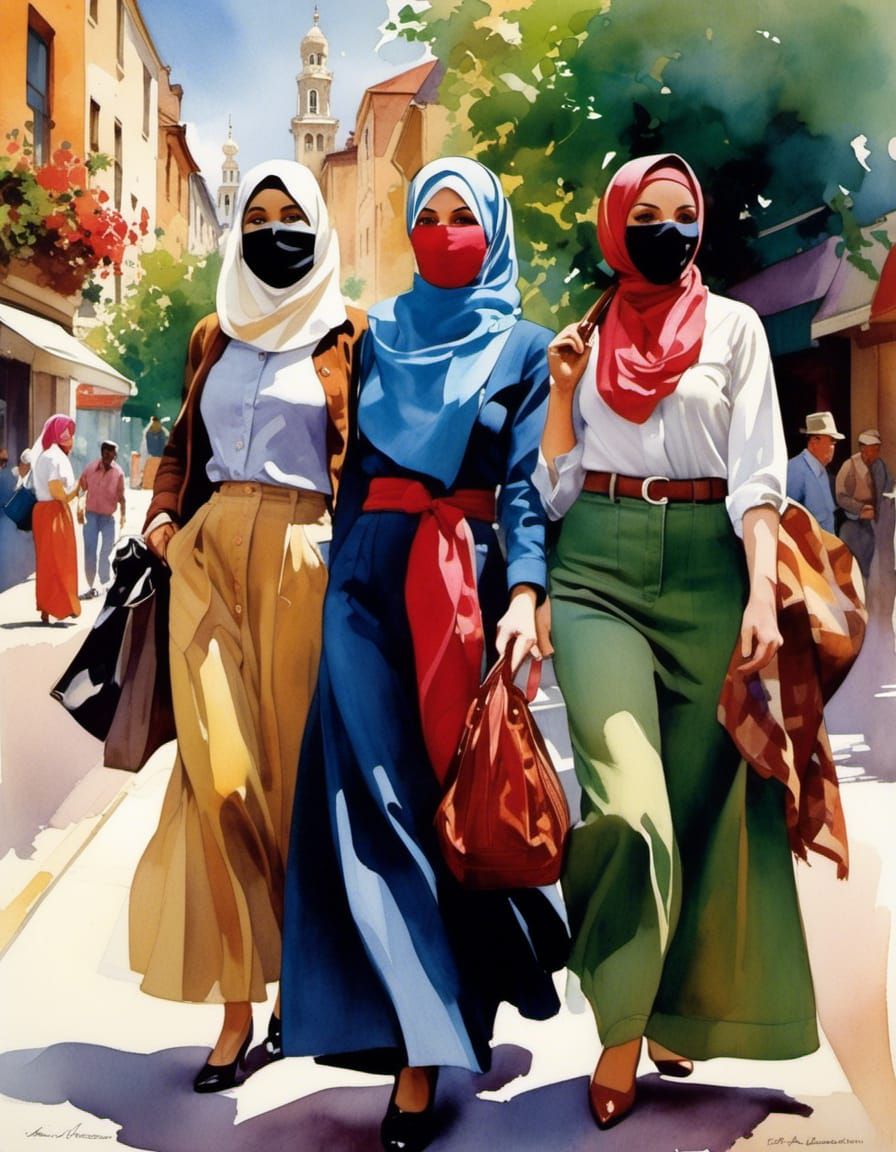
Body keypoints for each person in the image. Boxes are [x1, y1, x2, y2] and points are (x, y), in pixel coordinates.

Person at [280, 156, 568, 1152]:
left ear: (491, 228)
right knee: (367, 803)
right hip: (364, 581)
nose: (444, 231)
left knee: (455, 801)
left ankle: (458, 1000)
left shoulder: (525, 348)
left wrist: (525, 595)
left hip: (465, 588)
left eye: (463, 216)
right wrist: (336, 575)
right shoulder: (376, 342)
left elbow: (526, 485)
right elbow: (354, 469)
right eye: (428, 216)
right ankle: (408, 1049)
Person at [535, 153, 818, 1129]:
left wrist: (753, 596)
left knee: (707, 809)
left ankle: (678, 1009)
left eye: (681, 213)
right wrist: (564, 393)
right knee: (632, 811)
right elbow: (553, 490)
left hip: (708, 567)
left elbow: (754, 472)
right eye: (645, 213)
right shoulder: (584, 335)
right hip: (596, 571)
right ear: (616, 225)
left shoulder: (734, 329)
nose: (667, 228)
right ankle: (620, 1029)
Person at [128, 159, 365, 1093]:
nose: (272, 230)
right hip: (211, 552)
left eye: (290, 215)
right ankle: (235, 1010)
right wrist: (164, 510)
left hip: (309, 553)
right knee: (219, 776)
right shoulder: (210, 333)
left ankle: (290, 995)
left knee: (292, 778)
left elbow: (367, 452)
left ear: (316, 227)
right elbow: (184, 444)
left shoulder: (351, 335)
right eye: (257, 215)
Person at [31, 415, 81, 624]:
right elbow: (58, 491)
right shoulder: (54, 457)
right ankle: (58, 606)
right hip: (54, 511)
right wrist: (77, 489)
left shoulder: (46, 455)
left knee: (48, 560)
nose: (71, 440)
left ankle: (48, 606)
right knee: (60, 560)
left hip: (44, 512)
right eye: (67, 435)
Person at [836, 429, 889, 580]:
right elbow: (841, 496)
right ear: (864, 449)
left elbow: (887, 485)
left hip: (873, 521)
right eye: (875, 449)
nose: (877, 453)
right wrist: (860, 508)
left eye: (878, 449)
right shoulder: (849, 466)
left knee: (872, 561)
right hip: (853, 522)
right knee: (854, 563)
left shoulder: (880, 466)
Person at [77, 440, 126, 598]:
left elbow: (121, 497)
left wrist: (123, 516)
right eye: (104, 450)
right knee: (90, 552)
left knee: (106, 552)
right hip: (90, 516)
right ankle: (91, 587)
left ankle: (105, 585)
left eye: (110, 451)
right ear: (101, 452)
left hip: (107, 519)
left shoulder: (118, 473)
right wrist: (79, 507)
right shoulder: (90, 468)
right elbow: (81, 490)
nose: (107, 453)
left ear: (115, 455)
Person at [785, 410, 843, 533]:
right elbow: (787, 521)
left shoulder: (822, 471)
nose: (834, 446)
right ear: (814, 442)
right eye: (831, 441)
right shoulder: (796, 470)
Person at [140, 415, 168, 490]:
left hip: (150, 456)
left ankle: (146, 483)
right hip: (160, 457)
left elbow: (145, 444)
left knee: (149, 473)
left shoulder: (148, 431)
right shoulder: (162, 432)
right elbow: (164, 443)